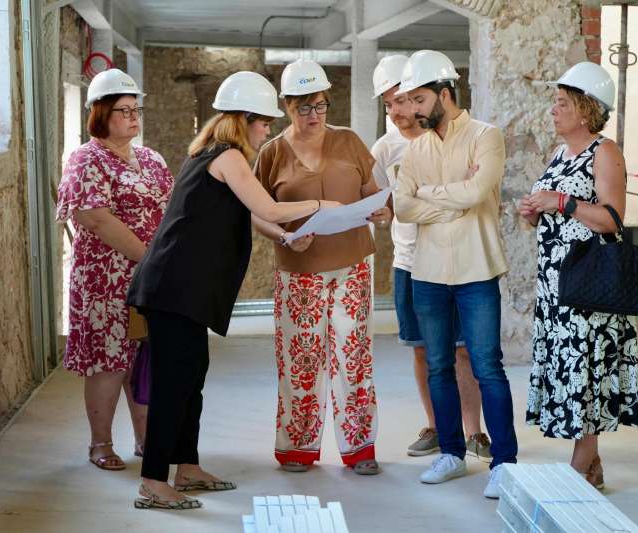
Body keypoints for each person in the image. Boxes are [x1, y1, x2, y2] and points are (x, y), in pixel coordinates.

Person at [126, 71, 338, 510]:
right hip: (173, 288)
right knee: (174, 382)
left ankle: (187, 466)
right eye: (263, 122)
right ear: (244, 119)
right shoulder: (226, 155)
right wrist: (321, 205)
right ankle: (153, 481)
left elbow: (253, 215)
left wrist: (283, 236)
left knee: (192, 377)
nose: (267, 131)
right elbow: (268, 206)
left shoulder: (215, 156)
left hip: (187, 290)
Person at [252, 59, 391, 476]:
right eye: (304, 108)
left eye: (321, 106)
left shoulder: (349, 141)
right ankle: (297, 447)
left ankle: (360, 447)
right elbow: (256, 212)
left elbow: (375, 194)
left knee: (354, 358)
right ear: (286, 105)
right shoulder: (272, 152)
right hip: (299, 270)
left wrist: (383, 211)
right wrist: (283, 236)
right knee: (302, 358)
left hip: (351, 266)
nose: (314, 116)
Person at [394, 50, 518, 498]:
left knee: (487, 365)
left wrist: (430, 195)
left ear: (445, 94)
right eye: (408, 100)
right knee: (439, 366)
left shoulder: (487, 137)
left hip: (476, 269)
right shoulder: (415, 149)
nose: (412, 109)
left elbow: (478, 190)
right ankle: (451, 453)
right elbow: (403, 207)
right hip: (427, 272)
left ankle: (504, 461)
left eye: (420, 99)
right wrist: (450, 198)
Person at [520, 62, 638, 490]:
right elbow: (555, 211)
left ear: (586, 109)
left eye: (562, 103)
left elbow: (612, 219)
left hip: (589, 288)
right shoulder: (559, 154)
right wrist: (535, 212)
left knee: (586, 372)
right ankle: (592, 465)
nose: (553, 110)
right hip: (557, 285)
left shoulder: (604, 152)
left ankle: (579, 465)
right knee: (572, 372)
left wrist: (562, 202)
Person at [370, 55, 491, 461]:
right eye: (389, 103)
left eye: (403, 99)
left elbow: (473, 194)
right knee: (424, 349)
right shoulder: (385, 148)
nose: (398, 110)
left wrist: (422, 199)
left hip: (460, 256)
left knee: (463, 350)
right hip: (410, 261)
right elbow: (390, 205)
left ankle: (474, 432)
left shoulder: (456, 136)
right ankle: (439, 427)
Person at [56, 68, 173, 472]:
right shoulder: (86, 159)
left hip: (150, 279)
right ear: (100, 114)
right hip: (105, 281)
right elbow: (96, 218)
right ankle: (100, 444)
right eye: (123, 111)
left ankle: (146, 440)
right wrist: (150, 257)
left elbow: (171, 209)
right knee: (110, 361)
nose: (133, 118)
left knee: (146, 359)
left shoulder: (151, 159)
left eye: (135, 109)